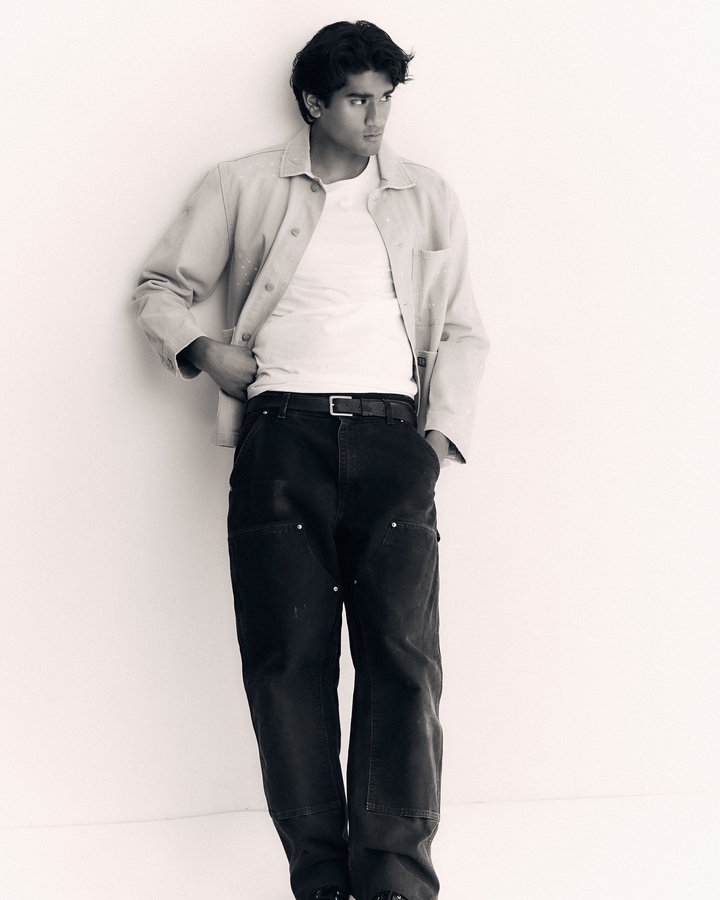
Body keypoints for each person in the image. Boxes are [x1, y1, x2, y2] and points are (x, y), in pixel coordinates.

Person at [131, 20, 489, 900]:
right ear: (313, 102)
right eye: (359, 100)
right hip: (280, 438)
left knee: (403, 664)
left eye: (386, 99)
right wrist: (203, 352)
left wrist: (435, 441)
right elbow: (160, 286)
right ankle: (322, 882)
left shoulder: (427, 195)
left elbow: (460, 329)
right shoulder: (242, 184)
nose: (377, 118)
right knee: (286, 665)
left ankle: (395, 881)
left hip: (393, 438)